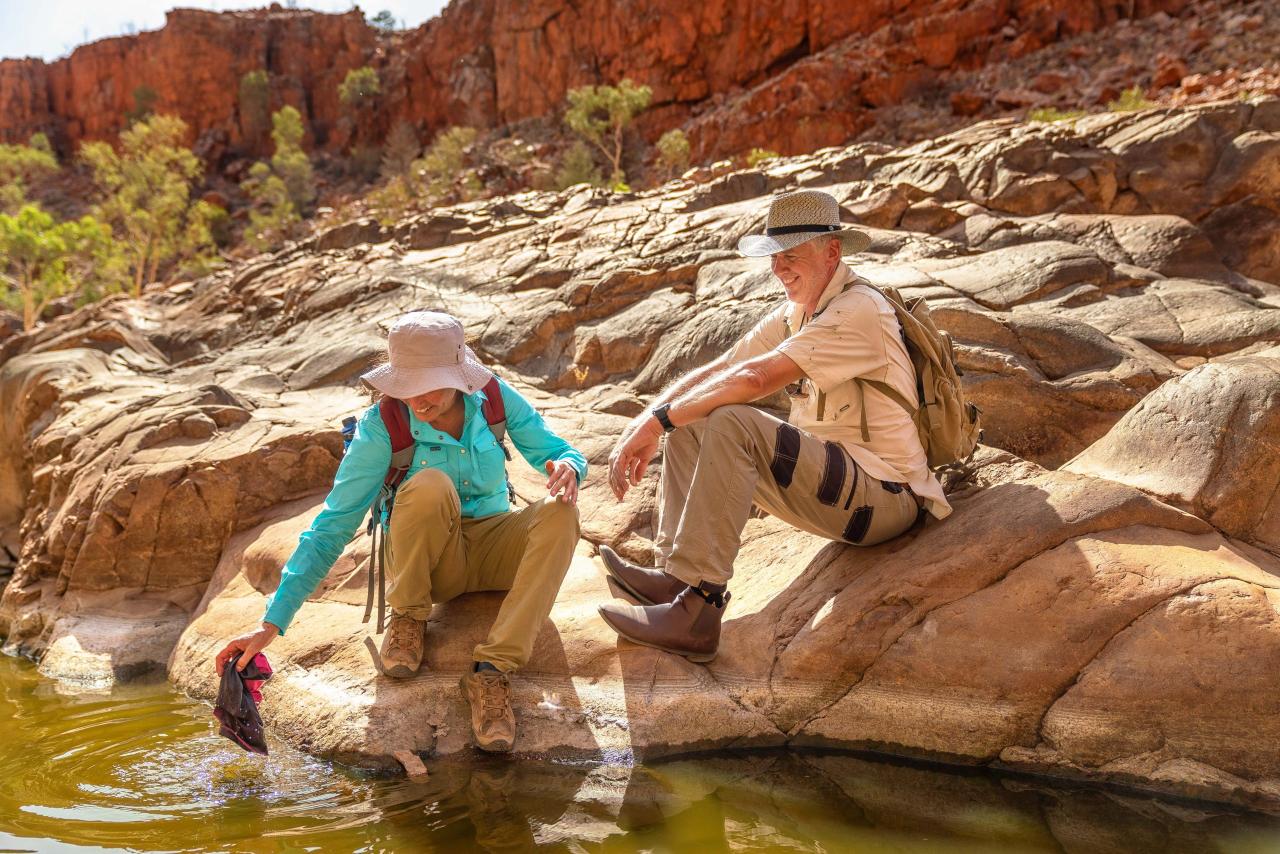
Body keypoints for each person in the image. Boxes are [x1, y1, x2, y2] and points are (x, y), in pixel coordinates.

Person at [598, 189, 951, 662]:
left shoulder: (859, 309)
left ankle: (699, 611)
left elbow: (754, 378)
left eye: (791, 256)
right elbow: (723, 367)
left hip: (885, 497)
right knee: (696, 418)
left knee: (732, 422)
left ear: (833, 251)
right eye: (774, 258)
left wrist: (658, 421)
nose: (779, 270)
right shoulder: (798, 312)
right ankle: (677, 579)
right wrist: (649, 420)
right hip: (843, 486)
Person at [215, 310, 587, 752]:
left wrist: (570, 466)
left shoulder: (494, 400)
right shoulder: (382, 426)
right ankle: (409, 617)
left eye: (428, 383)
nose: (417, 400)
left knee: (561, 510)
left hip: (495, 549)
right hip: (431, 570)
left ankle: (492, 673)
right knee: (430, 484)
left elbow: (559, 449)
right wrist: (270, 624)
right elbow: (331, 527)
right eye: (405, 385)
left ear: (459, 375)